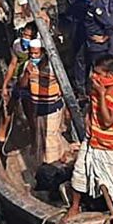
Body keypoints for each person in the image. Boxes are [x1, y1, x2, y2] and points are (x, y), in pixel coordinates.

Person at [66, 54, 113, 219]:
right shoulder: (95, 88)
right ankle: (74, 208)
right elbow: (92, 105)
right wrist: (88, 116)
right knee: (79, 173)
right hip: (91, 141)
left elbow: (107, 120)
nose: (93, 76)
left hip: (110, 147)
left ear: (109, 75)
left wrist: (102, 95)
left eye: (98, 73)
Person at [16, 36, 68, 165]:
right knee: (43, 134)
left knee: (50, 137)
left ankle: (52, 163)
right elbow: (22, 85)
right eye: (31, 53)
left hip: (52, 107)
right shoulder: (28, 65)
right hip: (38, 107)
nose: (33, 56)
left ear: (43, 52)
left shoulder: (53, 67)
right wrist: (27, 73)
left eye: (36, 53)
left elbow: (63, 86)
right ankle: (48, 158)